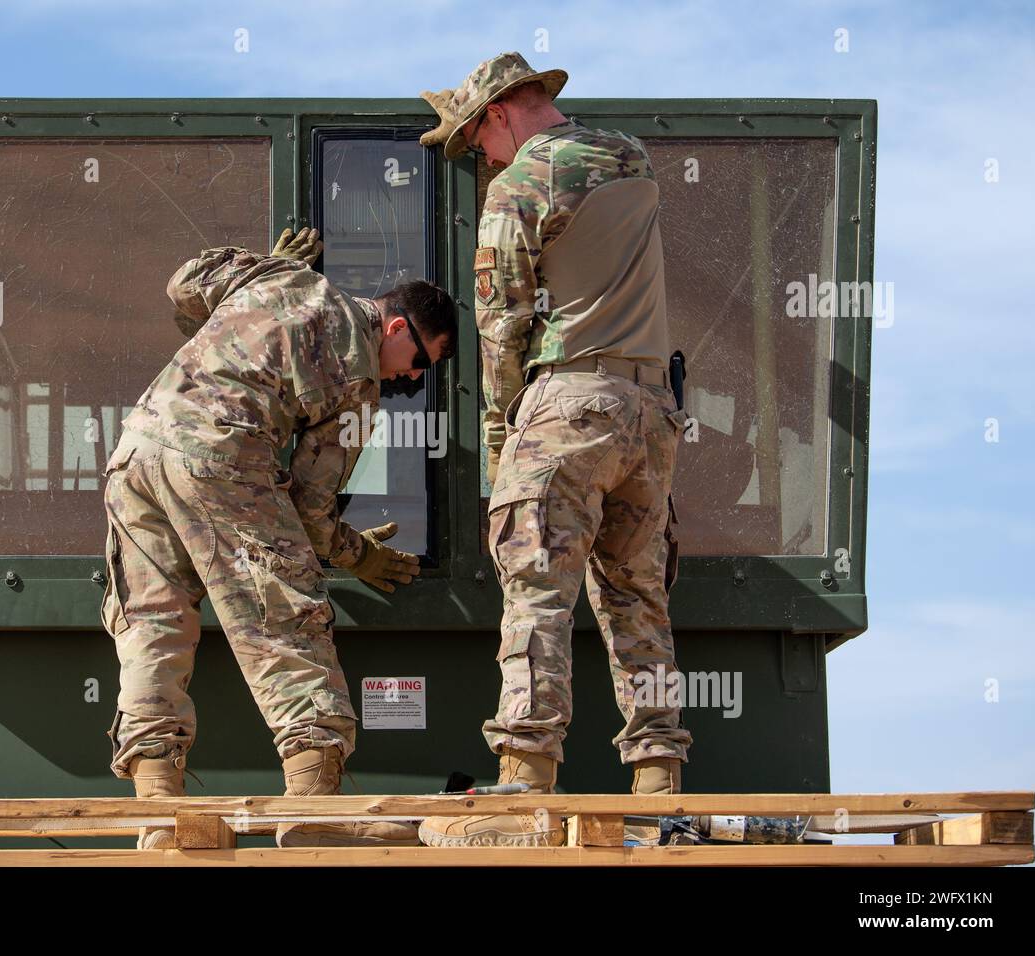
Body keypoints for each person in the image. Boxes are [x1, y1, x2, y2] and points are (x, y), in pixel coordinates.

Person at [101, 229, 456, 847]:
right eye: (422, 363)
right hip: (221, 461)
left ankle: (158, 816)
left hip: (137, 453)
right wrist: (361, 555)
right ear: (397, 328)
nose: (411, 380)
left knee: (152, 628)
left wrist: (263, 271)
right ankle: (311, 815)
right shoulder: (358, 382)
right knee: (288, 625)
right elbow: (313, 513)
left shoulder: (282, 279)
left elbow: (184, 282)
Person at [416, 53, 692, 847]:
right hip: (651, 410)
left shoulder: (520, 187)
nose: (483, 159)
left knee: (537, 588)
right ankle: (657, 777)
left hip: (568, 401)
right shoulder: (631, 156)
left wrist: (503, 432)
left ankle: (526, 773)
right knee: (637, 594)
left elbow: (499, 321)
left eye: (477, 141)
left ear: (501, 111)